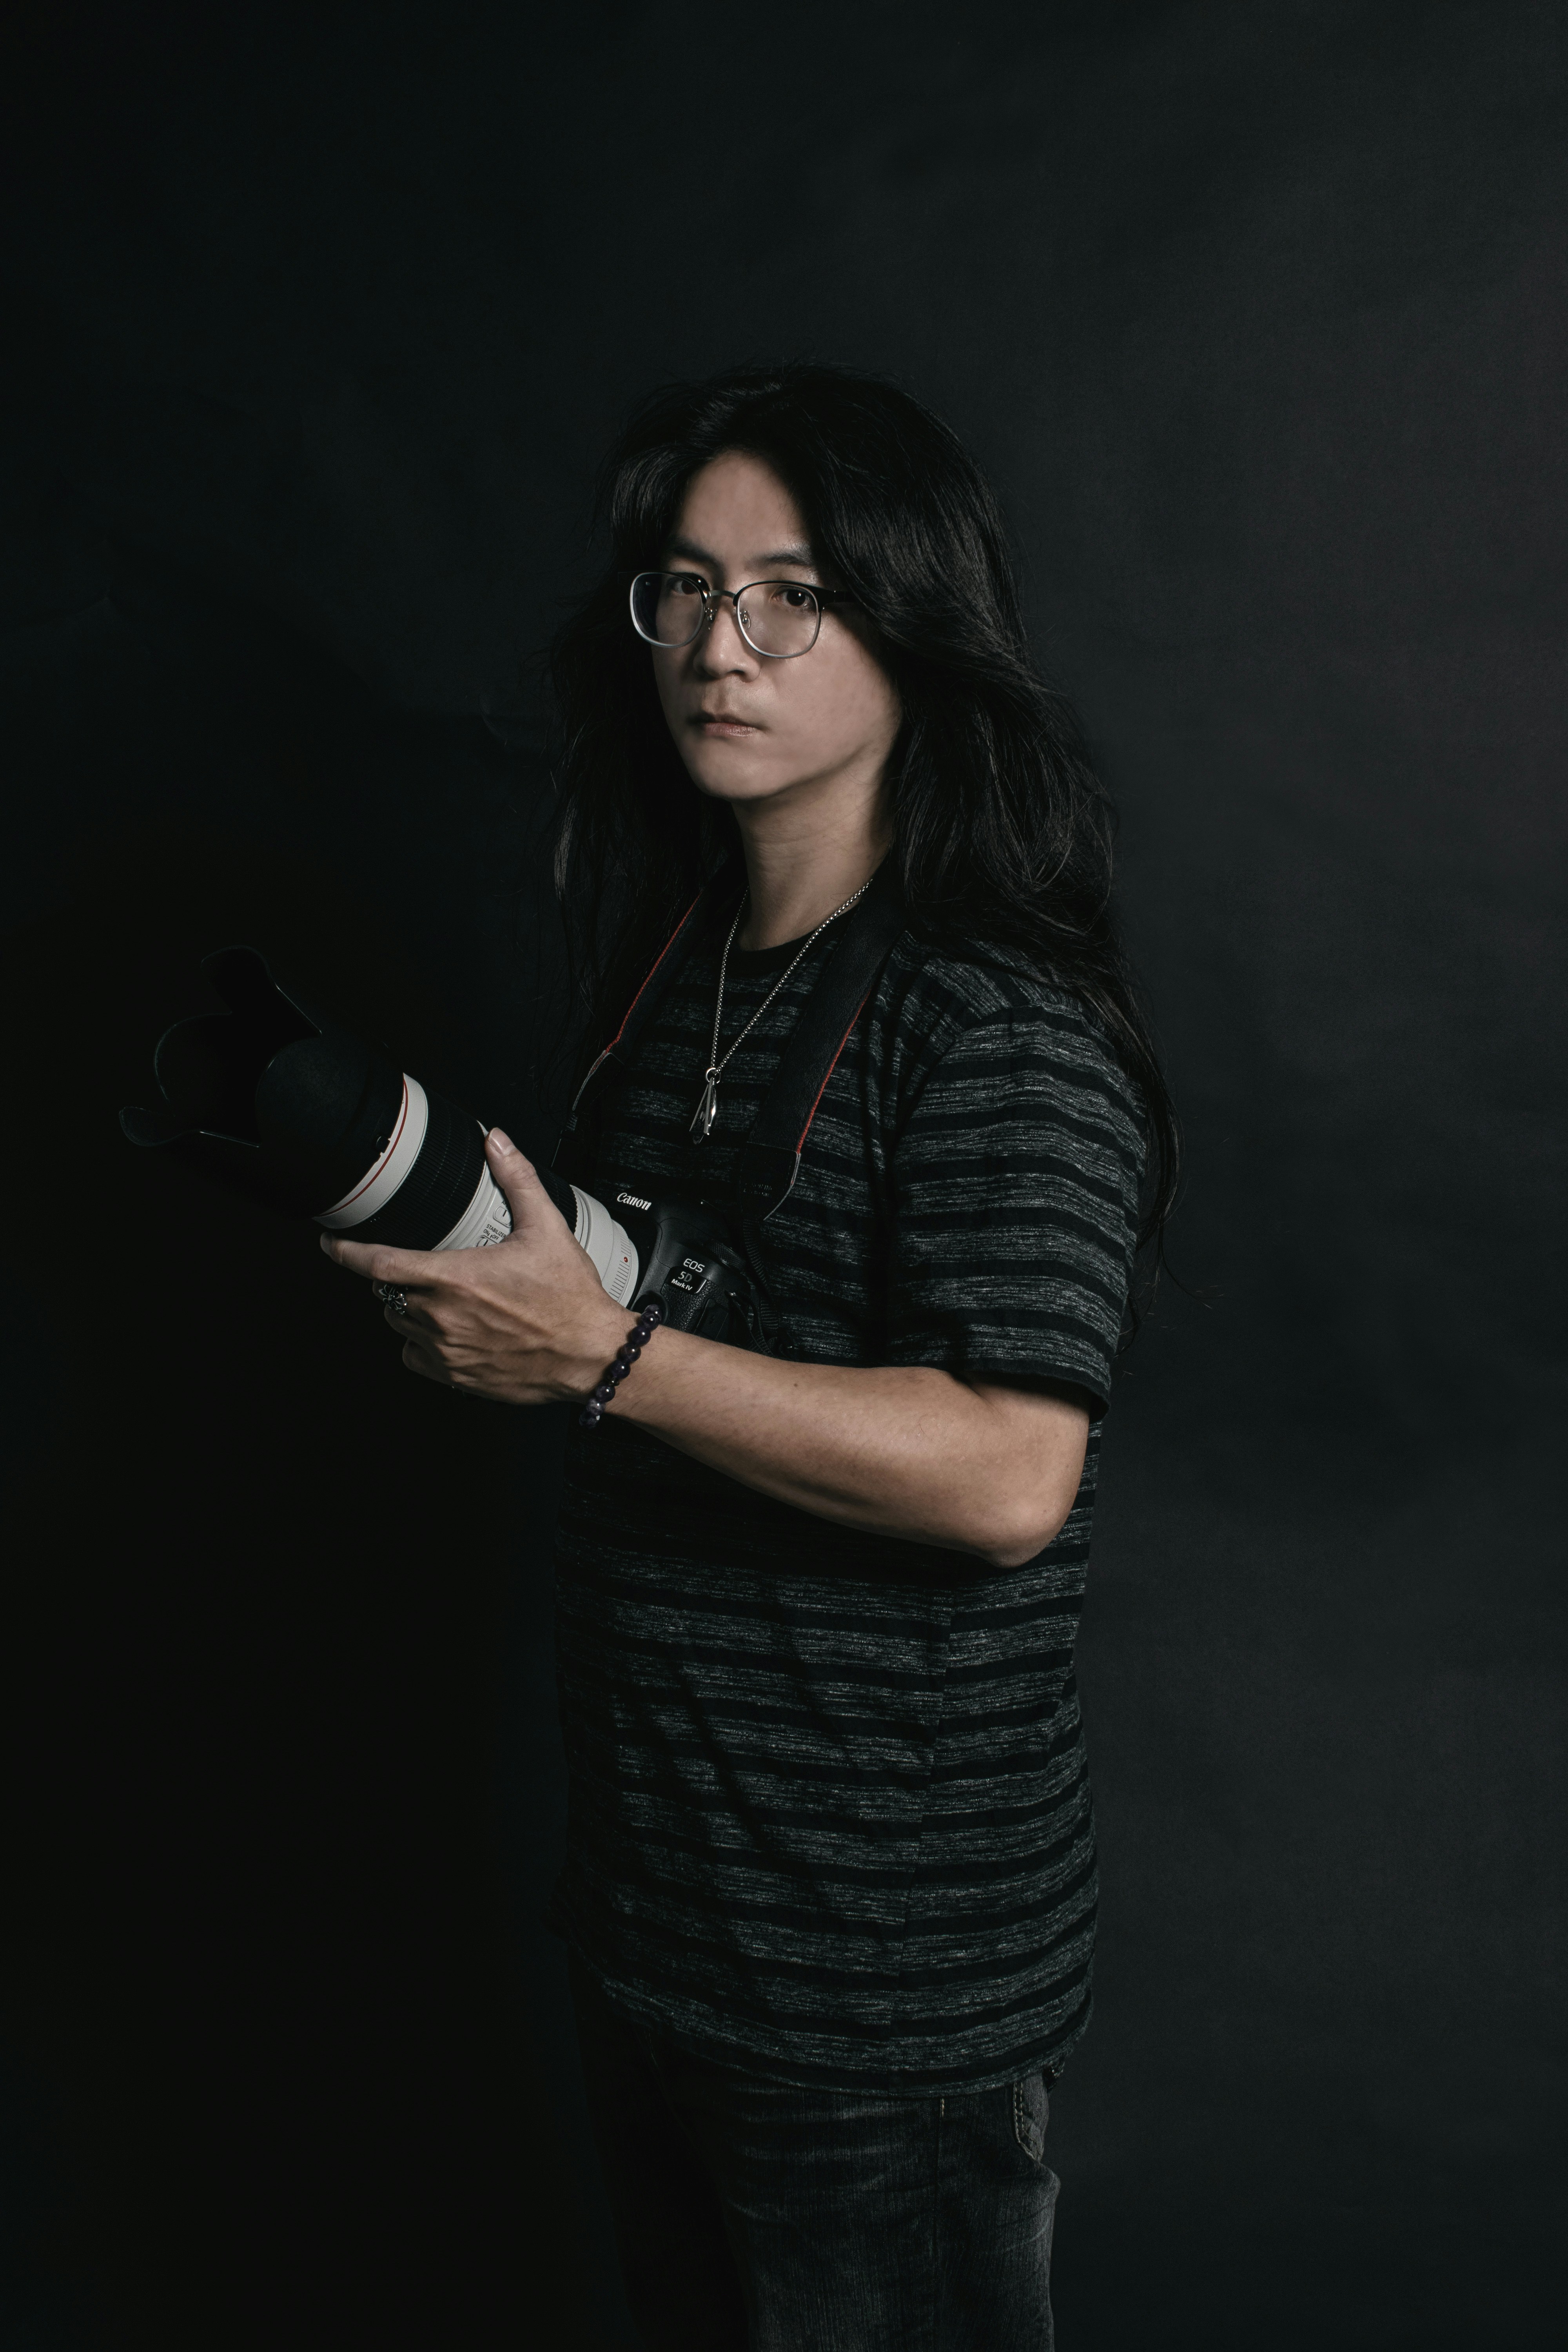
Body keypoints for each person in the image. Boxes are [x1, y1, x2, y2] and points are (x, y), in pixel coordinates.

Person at [323, 365, 1178, 2351]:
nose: (723, 646)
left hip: (875, 1985)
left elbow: (1003, 1477)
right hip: (662, 1928)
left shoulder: (994, 1024)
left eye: (794, 593)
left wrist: (598, 1358)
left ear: (915, 630)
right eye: (688, 588)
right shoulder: (685, 968)